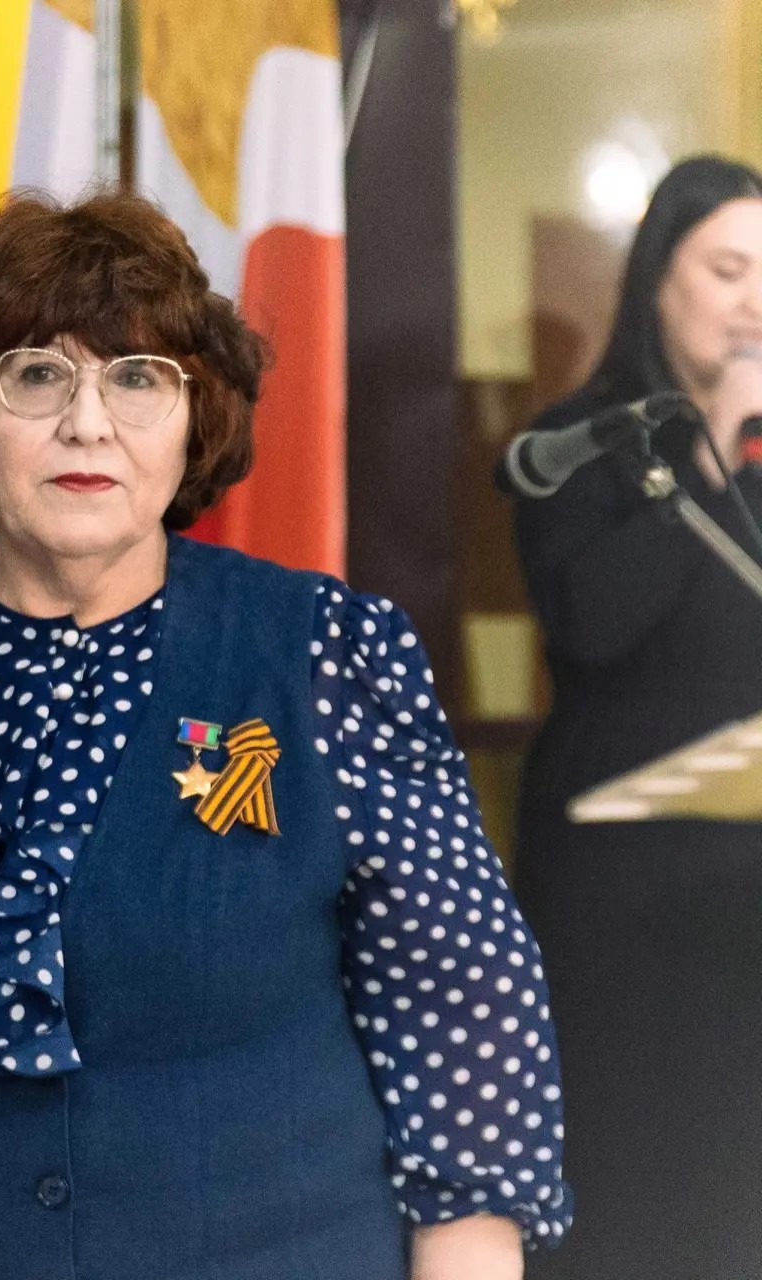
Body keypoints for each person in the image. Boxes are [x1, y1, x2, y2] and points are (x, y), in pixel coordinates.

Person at [0, 191, 572, 1279]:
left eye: (138, 378)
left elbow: (465, 1026)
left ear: (196, 419)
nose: (87, 422)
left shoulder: (328, 654)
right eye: (36, 374)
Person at [510, 153, 762, 1280]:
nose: (755, 304)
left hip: (747, 884)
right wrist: (707, 448)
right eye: (728, 271)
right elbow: (593, 626)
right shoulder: (575, 445)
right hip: (623, 892)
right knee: (632, 1190)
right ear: (660, 278)